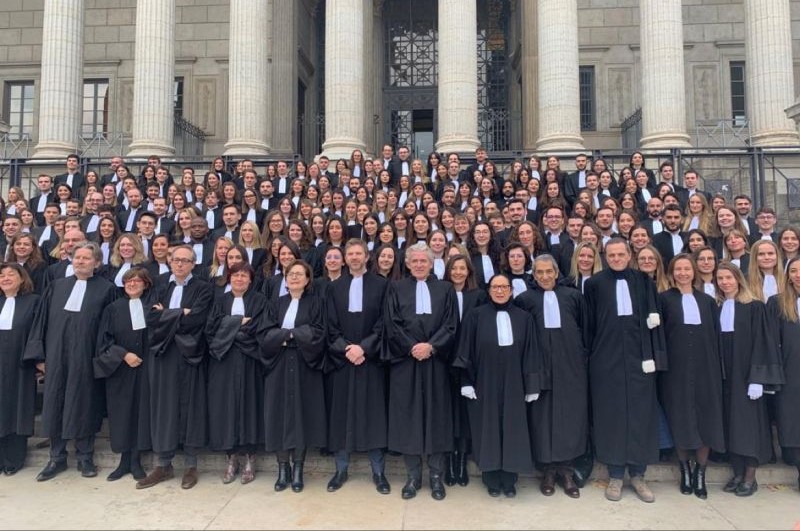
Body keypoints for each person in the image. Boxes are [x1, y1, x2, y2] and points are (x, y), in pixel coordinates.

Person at [24, 242, 117, 481]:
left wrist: (102, 358)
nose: (80, 262)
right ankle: (57, 457)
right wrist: (40, 356)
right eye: (77, 258)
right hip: (56, 356)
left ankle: (86, 457)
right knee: (55, 403)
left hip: (87, 357)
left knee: (85, 404)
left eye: (87, 258)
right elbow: (41, 322)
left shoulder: (106, 289)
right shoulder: (56, 286)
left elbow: (109, 328)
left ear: (97, 263)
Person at [584, 238, 665, 503]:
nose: (616, 258)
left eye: (621, 254)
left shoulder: (644, 281)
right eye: (611, 255)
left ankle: (638, 475)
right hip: (606, 360)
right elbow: (590, 324)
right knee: (612, 416)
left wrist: (655, 357)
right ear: (605, 257)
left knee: (641, 415)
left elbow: (655, 324)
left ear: (630, 255)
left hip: (639, 359)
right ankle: (616, 474)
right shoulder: (594, 284)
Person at [383, 242, 458, 501]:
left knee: (436, 417)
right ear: (407, 263)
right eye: (414, 261)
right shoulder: (396, 288)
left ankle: (436, 476)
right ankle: (413, 476)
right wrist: (412, 347)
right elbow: (391, 324)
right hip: (406, 361)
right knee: (408, 419)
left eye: (423, 261)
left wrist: (432, 347)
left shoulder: (445, 289)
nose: (418, 265)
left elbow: (451, 324)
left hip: (435, 362)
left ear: (431, 262)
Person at [453, 273, 537, 498]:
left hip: (515, 383)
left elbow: (531, 353)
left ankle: (509, 480)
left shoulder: (524, 318)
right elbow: (465, 350)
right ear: (489, 290)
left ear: (511, 290)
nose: (500, 291)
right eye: (495, 287)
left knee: (512, 428)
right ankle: (491, 478)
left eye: (504, 287)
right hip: (484, 381)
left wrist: (532, 385)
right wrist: (466, 382)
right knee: (487, 428)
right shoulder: (475, 316)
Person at [136, 245, 213, 490]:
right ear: (170, 262)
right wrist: (181, 313)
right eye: (176, 260)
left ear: (194, 263)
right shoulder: (158, 284)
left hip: (190, 353)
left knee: (191, 406)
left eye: (185, 261)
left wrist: (168, 313)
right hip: (162, 354)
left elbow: (197, 320)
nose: (180, 264)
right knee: (163, 407)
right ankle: (164, 464)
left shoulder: (203, 287)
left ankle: (191, 465)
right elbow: (150, 317)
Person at [515, 254, 588, 499]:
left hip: (571, 366)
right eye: (539, 272)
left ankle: (566, 471)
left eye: (549, 272)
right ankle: (546, 470)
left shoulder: (573, 297)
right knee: (541, 416)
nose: (545, 276)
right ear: (533, 275)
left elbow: (585, 329)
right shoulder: (525, 300)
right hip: (540, 365)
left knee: (570, 416)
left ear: (557, 273)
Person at [325, 239, 391, 495]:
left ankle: (378, 471)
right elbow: (330, 325)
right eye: (349, 254)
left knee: (374, 415)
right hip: (343, 360)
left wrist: (364, 348)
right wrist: (346, 349)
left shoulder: (382, 285)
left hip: (369, 359)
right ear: (344, 258)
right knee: (341, 416)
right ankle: (341, 469)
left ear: (367, 256)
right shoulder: (334, 287)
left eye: (358, 253)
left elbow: (385, 323)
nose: (354, 257)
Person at [658, 254, 725, 499]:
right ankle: (684, 469)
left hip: (706, 369)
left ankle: (700, 473)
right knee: (680, 416)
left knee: (705, 417)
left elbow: (716, 336)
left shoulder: (707, 301)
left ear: (694, 271)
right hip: (676, 369)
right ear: (672, 273)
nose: (684, 273)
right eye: (679, 269)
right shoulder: (664, 299)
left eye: (687, 269)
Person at [257, 259, 326, 493]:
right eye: (290, 274)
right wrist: (290, 336)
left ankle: (298, 468)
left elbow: (318, 332)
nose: (294, 277)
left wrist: (288, 335)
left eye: (299, 274)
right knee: (279, 414)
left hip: (305, 365)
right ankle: (282, 468)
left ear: (308, 280)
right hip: (279, 364)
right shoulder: (275, 303)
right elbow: (265, 333)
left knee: (301, 415)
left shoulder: (316, 303)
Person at [715, 262, 784, 497]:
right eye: (720, 278)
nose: (725, 282)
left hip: (746, 377)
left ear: (738, 279)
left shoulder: (754, 307)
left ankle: (750, 476)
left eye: (729, 278)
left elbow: (762, 343)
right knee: (730, 424)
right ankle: (737, 472)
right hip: (726, 377)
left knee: (750, 425)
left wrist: (758, 378)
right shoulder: (718, 307)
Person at [205, 263, 266, 486]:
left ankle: (250, 457)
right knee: (227, 406)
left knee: (248, 405)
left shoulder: (259, 300)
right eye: (235, 275)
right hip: (225, 361)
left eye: (244, 275)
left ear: (251, 279)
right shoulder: (220, 300)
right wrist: (239, 322)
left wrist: (228, 329)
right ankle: (231, 458)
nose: (239, 279)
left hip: (250, 361)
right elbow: (211, 328)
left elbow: (259, 327)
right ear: (228, 278)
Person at [93, 267, 155, 482]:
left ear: (146, 284)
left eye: (137, 281)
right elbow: (103, 341)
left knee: (140, 413)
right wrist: (124, 354)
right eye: (129, 281)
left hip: (147, 369)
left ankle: (136, 460)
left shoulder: (152, 307)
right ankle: (123, 461)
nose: (132, 284)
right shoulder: (112, 309)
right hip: (120, 369)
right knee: (121, 414)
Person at [0, 264, 39, 475]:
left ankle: (14, 457)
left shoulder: (33, 302)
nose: (5, 278)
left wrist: (37, 359)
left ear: (22, 279)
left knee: (17, 408)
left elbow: (37, 332)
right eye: (2, 275)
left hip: (20, 363)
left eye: (10, 275)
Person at [769, 257, 800, 492]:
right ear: (788, 275)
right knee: (790, 418)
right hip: (790, 369)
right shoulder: (778, 303)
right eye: (794, 271)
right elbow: (772, 341)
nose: (798, 275)